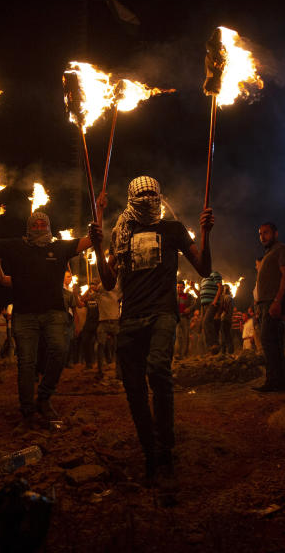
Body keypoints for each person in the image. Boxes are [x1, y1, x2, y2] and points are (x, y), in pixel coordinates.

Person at [90, 176, 213, 485]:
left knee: (158, 369)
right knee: (133, 389)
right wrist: (97, 246)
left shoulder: (173, 230)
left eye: (151, 193)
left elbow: (204, 269)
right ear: (132, 198)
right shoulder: (122, 233)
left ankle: (166, 451)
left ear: (159, 196)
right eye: (140, 194)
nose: (146, 198)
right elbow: (107, 281)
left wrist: (207, 235)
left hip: (162, 313)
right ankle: (150, 454)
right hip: (130, 317)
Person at [0, 191, 92, 425]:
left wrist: (99, 210)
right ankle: (27, 409)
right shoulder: (17, 246)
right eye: (35, 223)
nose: (39, 226)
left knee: (59, 351)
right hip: (24, 315)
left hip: (55, 313)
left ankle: (45, 396)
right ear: (29, 226)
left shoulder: (60, 248)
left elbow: (90, 239)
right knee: (26, 362)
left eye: (43, 223)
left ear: (49, 226)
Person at [252, 222, 285, 392]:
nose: (262, 236)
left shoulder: (281, 249)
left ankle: (274, 381)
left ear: (275, 233)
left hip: (272, 302)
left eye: (266, 233)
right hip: (265, 303)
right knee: (273, 343)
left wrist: (277, 301)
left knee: (268, 341)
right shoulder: (268, 254)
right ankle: (282, 381)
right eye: (260, 233)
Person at [93, 280, 121, 378]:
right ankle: (101, 370)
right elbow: (84, 299)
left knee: (118, 348)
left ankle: (118, 372)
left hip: (114, 322)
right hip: (104, 322)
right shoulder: (99, 293)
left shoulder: (116, 290)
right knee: (100, 346)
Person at [198, 271, 222, 352]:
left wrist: (215, 300)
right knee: (206, 324)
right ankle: (211, 347)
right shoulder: (203, 280)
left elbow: (220, 287)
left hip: (212, 303)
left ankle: (214, 344)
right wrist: (193, 287)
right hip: (204, 305)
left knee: (206, 321)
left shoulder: (214, 274)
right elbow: (200, 294)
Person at [175, 282, 194, 358]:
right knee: (178, 336)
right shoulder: (174, 296)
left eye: (181, 287)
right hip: (176, 318)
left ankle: (184, 354)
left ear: (184, 287)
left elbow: (194, 303)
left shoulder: (188, 296)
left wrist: (189, 308)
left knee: (186, 336)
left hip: (185, 318)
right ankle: (178, 354)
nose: (179, 289)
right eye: (178, 287)